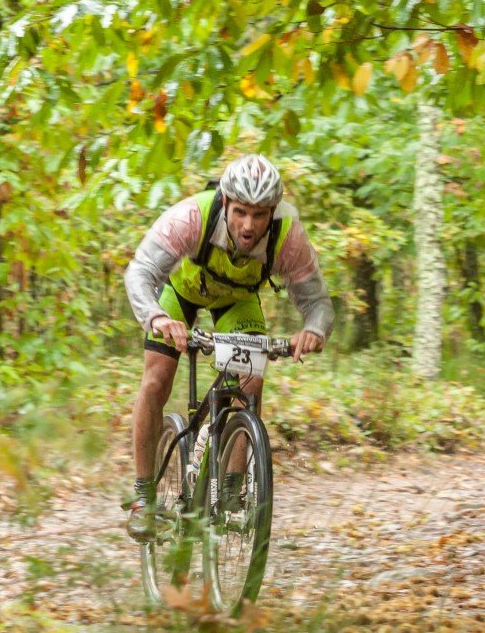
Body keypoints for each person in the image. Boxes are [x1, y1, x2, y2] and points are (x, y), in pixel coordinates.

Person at [123, 155, 333, 537]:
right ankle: (143, 497)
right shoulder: (192, 216)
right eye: (239, 212)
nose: (249, 225)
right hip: (179, 294)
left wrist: (314, 331)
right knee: (156, 379)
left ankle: (233, 490)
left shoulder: (288, 235)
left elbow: (317, 302)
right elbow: (140, 271)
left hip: (236, 302)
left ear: (273, 212)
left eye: (259, 215)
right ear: (225, 202)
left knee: (251, 380)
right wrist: (156, 317)